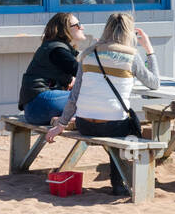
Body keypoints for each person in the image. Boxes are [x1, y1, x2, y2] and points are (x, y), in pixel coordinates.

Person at [45, 12, 159, 197]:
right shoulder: (132, 56)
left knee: (119, 121)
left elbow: (74, 95)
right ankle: (121, 182)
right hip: (113, 126)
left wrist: (61, 125)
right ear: (129, 33)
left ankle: (121, 182)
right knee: (130, 124)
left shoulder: (88, 54)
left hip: (85, 124)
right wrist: (150, 50)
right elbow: (154, 83)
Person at [19, 12, 85, 126]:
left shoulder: (53, 47)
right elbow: (82, 72)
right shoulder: (57, 50)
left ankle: (70, 121)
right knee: (91, 96)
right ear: (65, 29)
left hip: (34, 110)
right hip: (41, 104)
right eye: (77, 25)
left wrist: (71, 80)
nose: (82, 27)